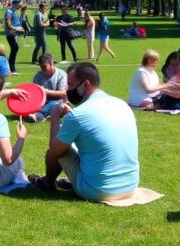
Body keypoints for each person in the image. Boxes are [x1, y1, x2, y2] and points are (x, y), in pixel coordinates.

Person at [28, 62, 139, 202]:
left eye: (71, 84)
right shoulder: (121, 104)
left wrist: (55, 116)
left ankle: (47, 183)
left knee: (58, 148)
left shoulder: (79, 115)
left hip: (98, 190)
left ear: (85, 84)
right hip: (130, 186)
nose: (68, 89)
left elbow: (55, 149)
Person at [28, 54, 68, 123]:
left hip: (58, 100)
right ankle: (49, 114)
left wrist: (47, 92)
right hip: (42, 100)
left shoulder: (61, 74)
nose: (42, 69)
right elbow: (35, 93)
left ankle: (39, 115)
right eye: (41, 67)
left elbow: (63, 94)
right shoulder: (38, 75)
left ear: (51, 63)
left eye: (44, 66)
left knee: (55, 104)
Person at [3, 0, 25, 74]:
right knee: (15, 48)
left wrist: (23, 13)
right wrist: (17, 28)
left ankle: (11, 68)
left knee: (14, 49)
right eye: (20, 3)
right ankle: (11, 69)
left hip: (15, 34)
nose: (21, 5)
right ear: (16, 3)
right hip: (10, 34)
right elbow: (8, 25)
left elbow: (19, 22)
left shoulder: (15, 11)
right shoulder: (9, 12)